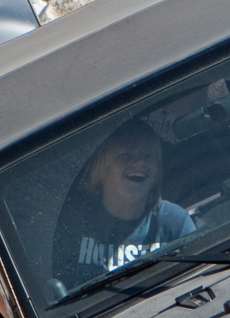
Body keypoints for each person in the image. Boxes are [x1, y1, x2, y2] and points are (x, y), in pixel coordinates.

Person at [48, 120, 192, 296]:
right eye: (126, 155)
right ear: (101, 168)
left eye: (148, 156)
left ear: (158, 171)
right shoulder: (74, 224)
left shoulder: (175, 222)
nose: (139, 162)